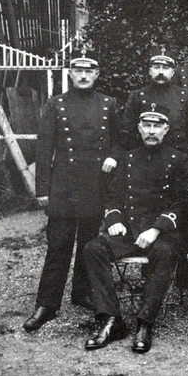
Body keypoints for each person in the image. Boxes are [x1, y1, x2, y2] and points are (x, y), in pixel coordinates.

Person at [23, 51, 125, 332]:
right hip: (64, 186)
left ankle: (83, 293)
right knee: (58, 246)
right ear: (70, 74)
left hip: (95, 185)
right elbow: (44, 149)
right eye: (77, 70)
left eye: (88, 71)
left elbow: (121, 140)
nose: (82, 75)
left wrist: (113, 157)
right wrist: (42, 189)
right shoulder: (56, 104)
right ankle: (46, 304)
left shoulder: (108, 104)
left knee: (89, 245)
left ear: (96, 74)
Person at [82, 104, 188, 353]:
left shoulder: (178, 159)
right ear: (139, 128)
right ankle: (111, 320)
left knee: (164, 253)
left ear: (166, 129)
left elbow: (184, 202)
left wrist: (157, 228)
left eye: (157, 126)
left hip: (162, 234)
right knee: (93, 249)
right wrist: (114, 220)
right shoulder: (128, 158)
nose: (152, 131)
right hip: (129, 231)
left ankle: (145, 322)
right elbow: (113, 197)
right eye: (147, 126)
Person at [122, 47, 188, 156]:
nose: (161, 72)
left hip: (178, 157)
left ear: (172, 72)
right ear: (150, 71)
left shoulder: (185, 95)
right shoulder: (138, 95)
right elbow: (128, 130)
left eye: (165, 68)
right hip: (144, 156)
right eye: (157, 67)